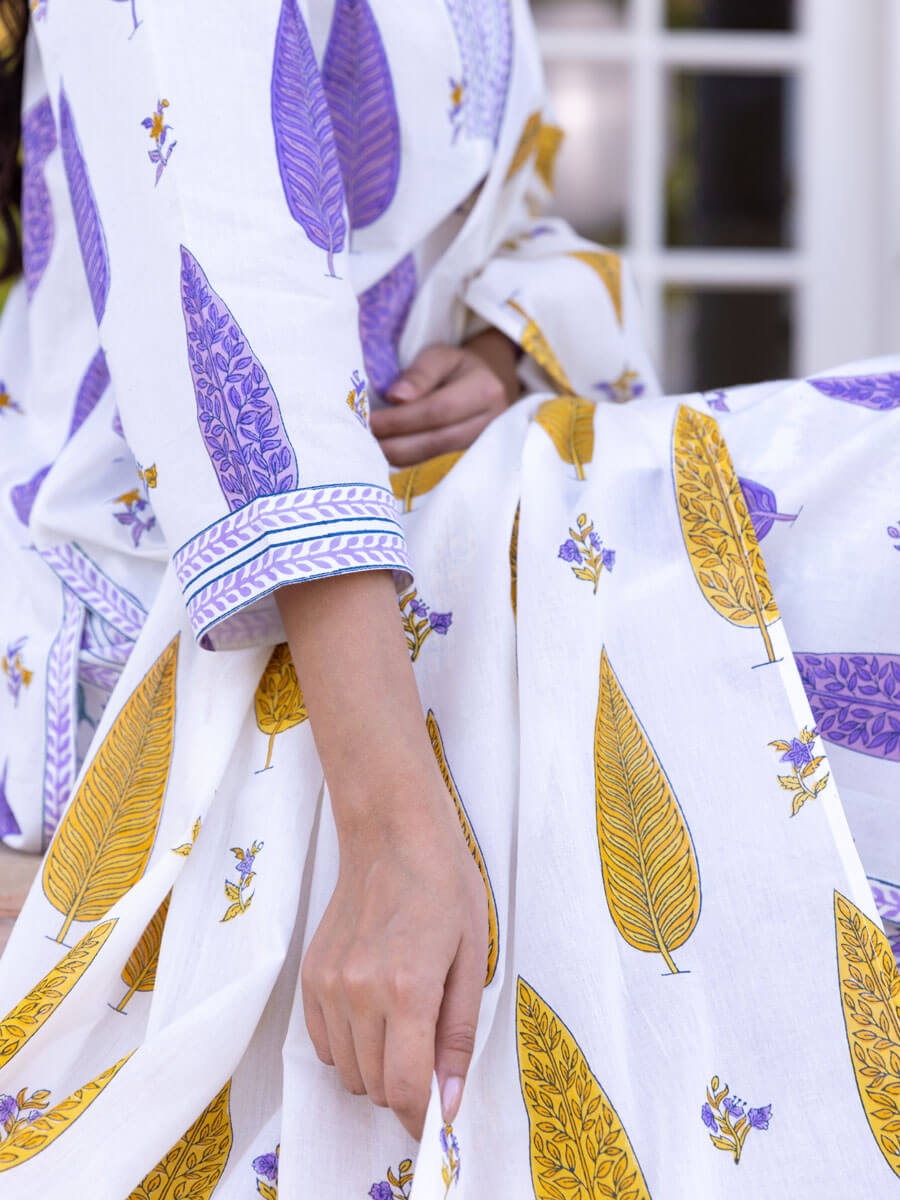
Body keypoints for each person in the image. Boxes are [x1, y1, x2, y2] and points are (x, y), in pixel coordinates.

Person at [0, 1, 897, 1196]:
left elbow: (502, 211)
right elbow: (231, 286)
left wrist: (498, 348)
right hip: (184, 613)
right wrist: (392, 837)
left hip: (444, 525)